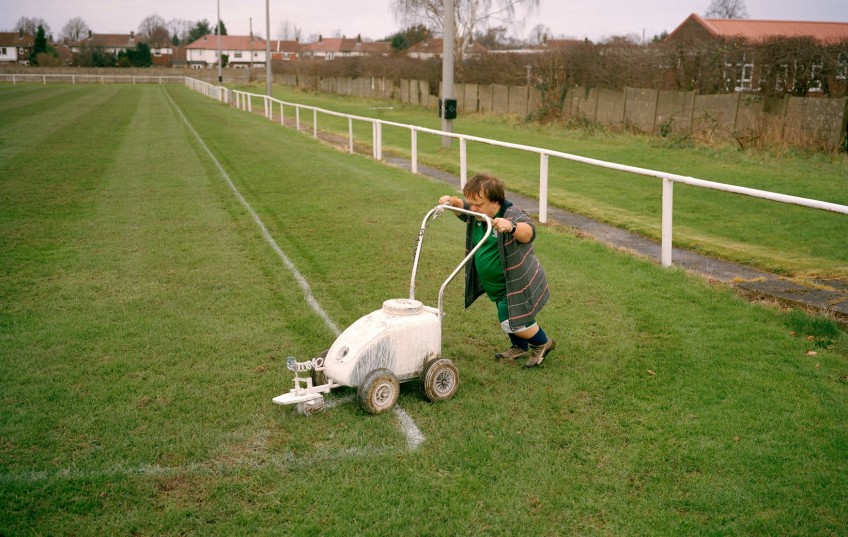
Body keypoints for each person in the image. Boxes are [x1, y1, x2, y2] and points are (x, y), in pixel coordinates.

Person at [439, 174, 555, 368]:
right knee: (511, 318)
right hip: (496, 286)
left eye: (478, 204)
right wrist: (451, 201)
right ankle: (519, 346)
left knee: (513, 321)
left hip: (514, 283)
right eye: (471, 203)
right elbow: (462, 207)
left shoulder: (511, 214)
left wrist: (511, 227)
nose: (473, 208)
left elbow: (529, 233)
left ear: (495, 202)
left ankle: (542, 343)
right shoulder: (478, 213)